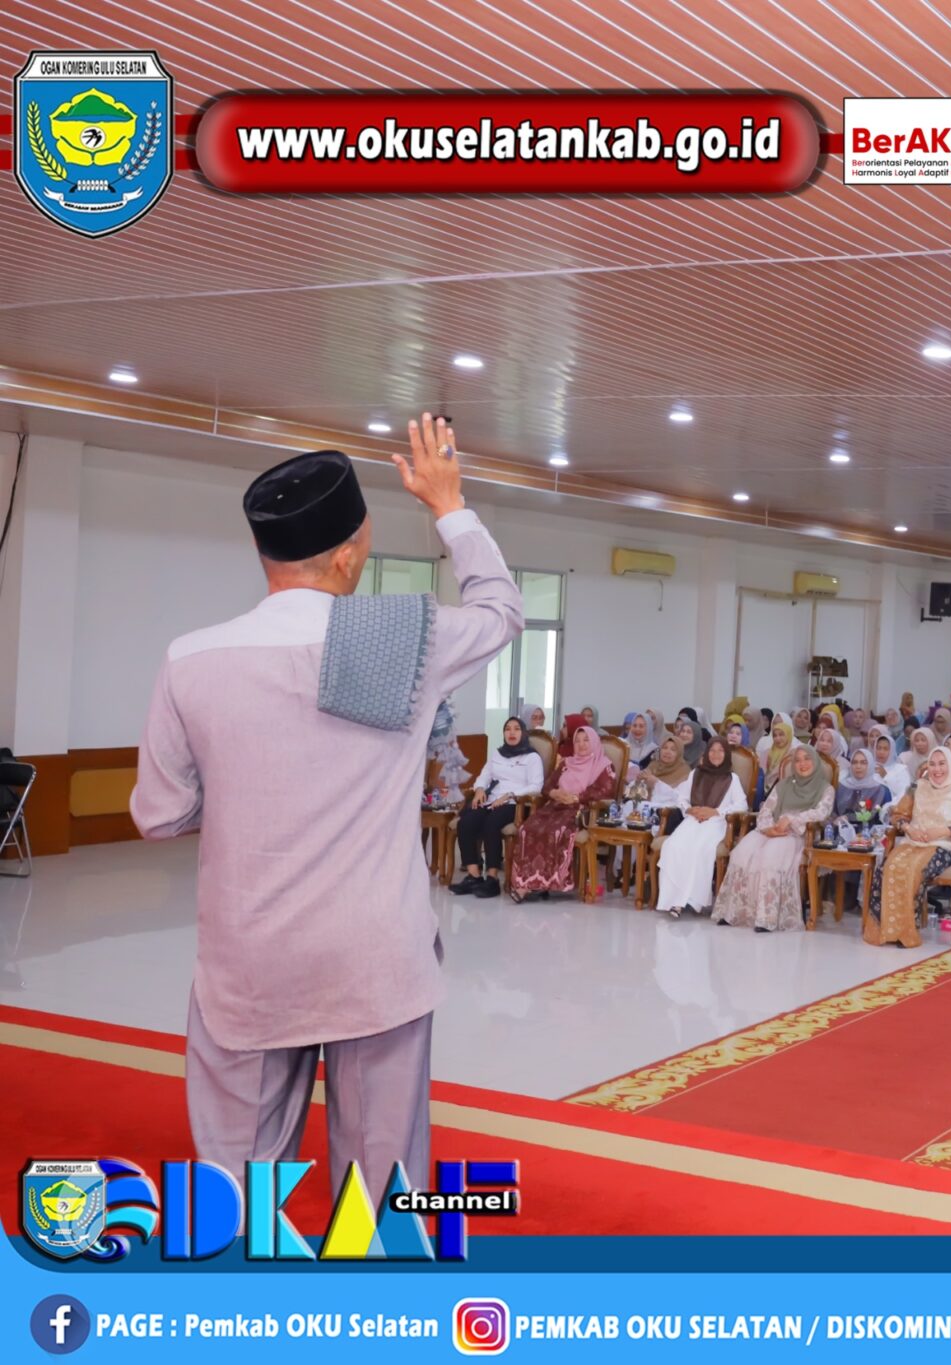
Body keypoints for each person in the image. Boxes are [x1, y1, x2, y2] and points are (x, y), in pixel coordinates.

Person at [131, 420, 521, 1198]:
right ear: (347, 556)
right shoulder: (401, 640)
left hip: (250, 962)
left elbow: (159, 815)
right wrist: (449, 505)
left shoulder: (192, 657)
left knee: (238, 1182)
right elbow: (502, 609)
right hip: (374, 959)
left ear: (264, 551)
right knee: (378, 1188)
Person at [715, 743, 834, 932]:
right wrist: (768, 828)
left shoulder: (825, 789)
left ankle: (766, 918)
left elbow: (821, 812)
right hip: (772, 830)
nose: (802, 764)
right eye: (797, 760)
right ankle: (735, 913)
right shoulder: (783, 785)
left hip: (798, 834)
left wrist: (790, 819)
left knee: (771, 855)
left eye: (807, 759)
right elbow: (766, 810)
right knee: (741, 852)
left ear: (815, 762)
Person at [868, 747, 951, 947]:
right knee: (887, 867)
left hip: (944, 846)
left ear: (950, 765)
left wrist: (943, 831)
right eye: (932, 764)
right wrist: (909, 829)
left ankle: (906, 931)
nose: (937, 769)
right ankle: (885, 930)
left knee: (913, 869)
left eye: (942, 764)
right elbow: (898, 815)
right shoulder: (917, 786)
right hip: (913, 841)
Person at [506, 716, 617, 902]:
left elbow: (605, 791)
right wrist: (555, 793)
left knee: (556, 832)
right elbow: (548, 785)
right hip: (554, 807)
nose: (581, 745)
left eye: (586, 740)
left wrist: (578, 797)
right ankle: (531, 882)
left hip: (580, 811)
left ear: (594, 742)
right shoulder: (567, 763)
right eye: (577, 741)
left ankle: (536, 885)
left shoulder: (604, 766)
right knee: (527, 828)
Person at [652, 738, 746, 919]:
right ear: (706, 753)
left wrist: (716, 811)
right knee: (673, 846)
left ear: (726, 754)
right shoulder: (696, 773)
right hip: (693, 821)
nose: (716, 754)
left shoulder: (731, 779)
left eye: (720, 751)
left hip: (716, 823)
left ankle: (688, 901)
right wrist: (689, 809)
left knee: (698, 850)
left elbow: (741, 805)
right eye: (712, 750)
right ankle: (672, 899)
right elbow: (681, 797)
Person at [454, 716, 544, 898]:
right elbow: (484, 775)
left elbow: (536, 786)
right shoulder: (497, 754)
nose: (511, 732)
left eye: (516, 729)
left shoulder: (532, 757)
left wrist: (510, 794)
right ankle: (473, 876)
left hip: (515, 804)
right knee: (466, 822)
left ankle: (492, 878)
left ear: (523, 733)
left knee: (491, 824)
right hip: (491, 800)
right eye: (507, 729)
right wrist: (480, 789)